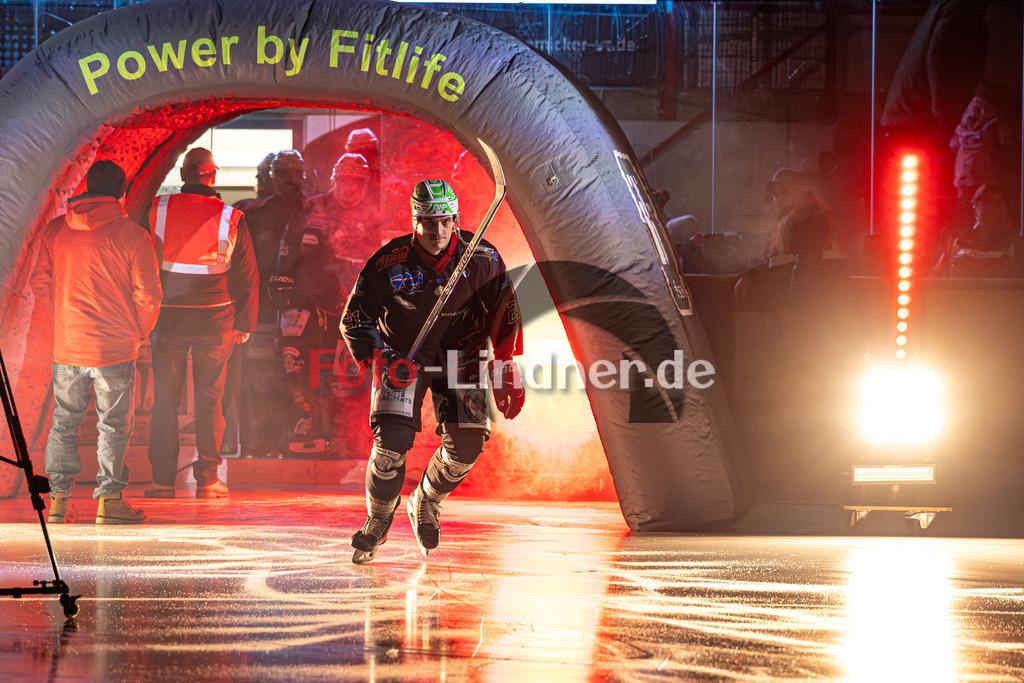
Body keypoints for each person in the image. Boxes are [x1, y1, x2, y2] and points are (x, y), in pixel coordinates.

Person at [342, 179, 525, 563]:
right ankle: (377, 521)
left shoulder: (484, 258)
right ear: (414, 221)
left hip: (465, 358)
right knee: (389, 448)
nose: (436, 231)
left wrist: (506, 363)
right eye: (427, 222)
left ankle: (426, 499)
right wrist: (379, 354)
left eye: (444, 221)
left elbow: (506, 311)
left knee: (467, 448)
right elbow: (355, 316)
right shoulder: (387, 262)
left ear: (456, 219)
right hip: (403, 357)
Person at [30, 160, 162, 524]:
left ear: (87, 186)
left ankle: (58, 501)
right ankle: (111, 501)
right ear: (122, 192)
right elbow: (148, 295)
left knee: (64, 422)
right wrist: (139, 331)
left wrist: (63, 316)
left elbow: (40, 281)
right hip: (114, 348)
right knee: (114, 425)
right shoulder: (133, 235)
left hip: (68, 345)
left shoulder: (56, 230)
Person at [145, 147, 259, 498]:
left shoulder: (156, 210)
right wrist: (246, 322)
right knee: (211, 399)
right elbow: (248, 275)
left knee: (165, 399)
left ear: (183, 175)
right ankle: (208, 478)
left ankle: (162, 480)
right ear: (214, 175)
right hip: (217, 321)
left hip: (168, 320)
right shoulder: (231, 217)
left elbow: (140, 264)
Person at [933, 183, 1020, 278]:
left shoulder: (1015, 246)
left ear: (1006, 210)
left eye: (997, 203)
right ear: (975, 208)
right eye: (986, 203)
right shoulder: (959, 244)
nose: (992, 209)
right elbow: (935, 276)